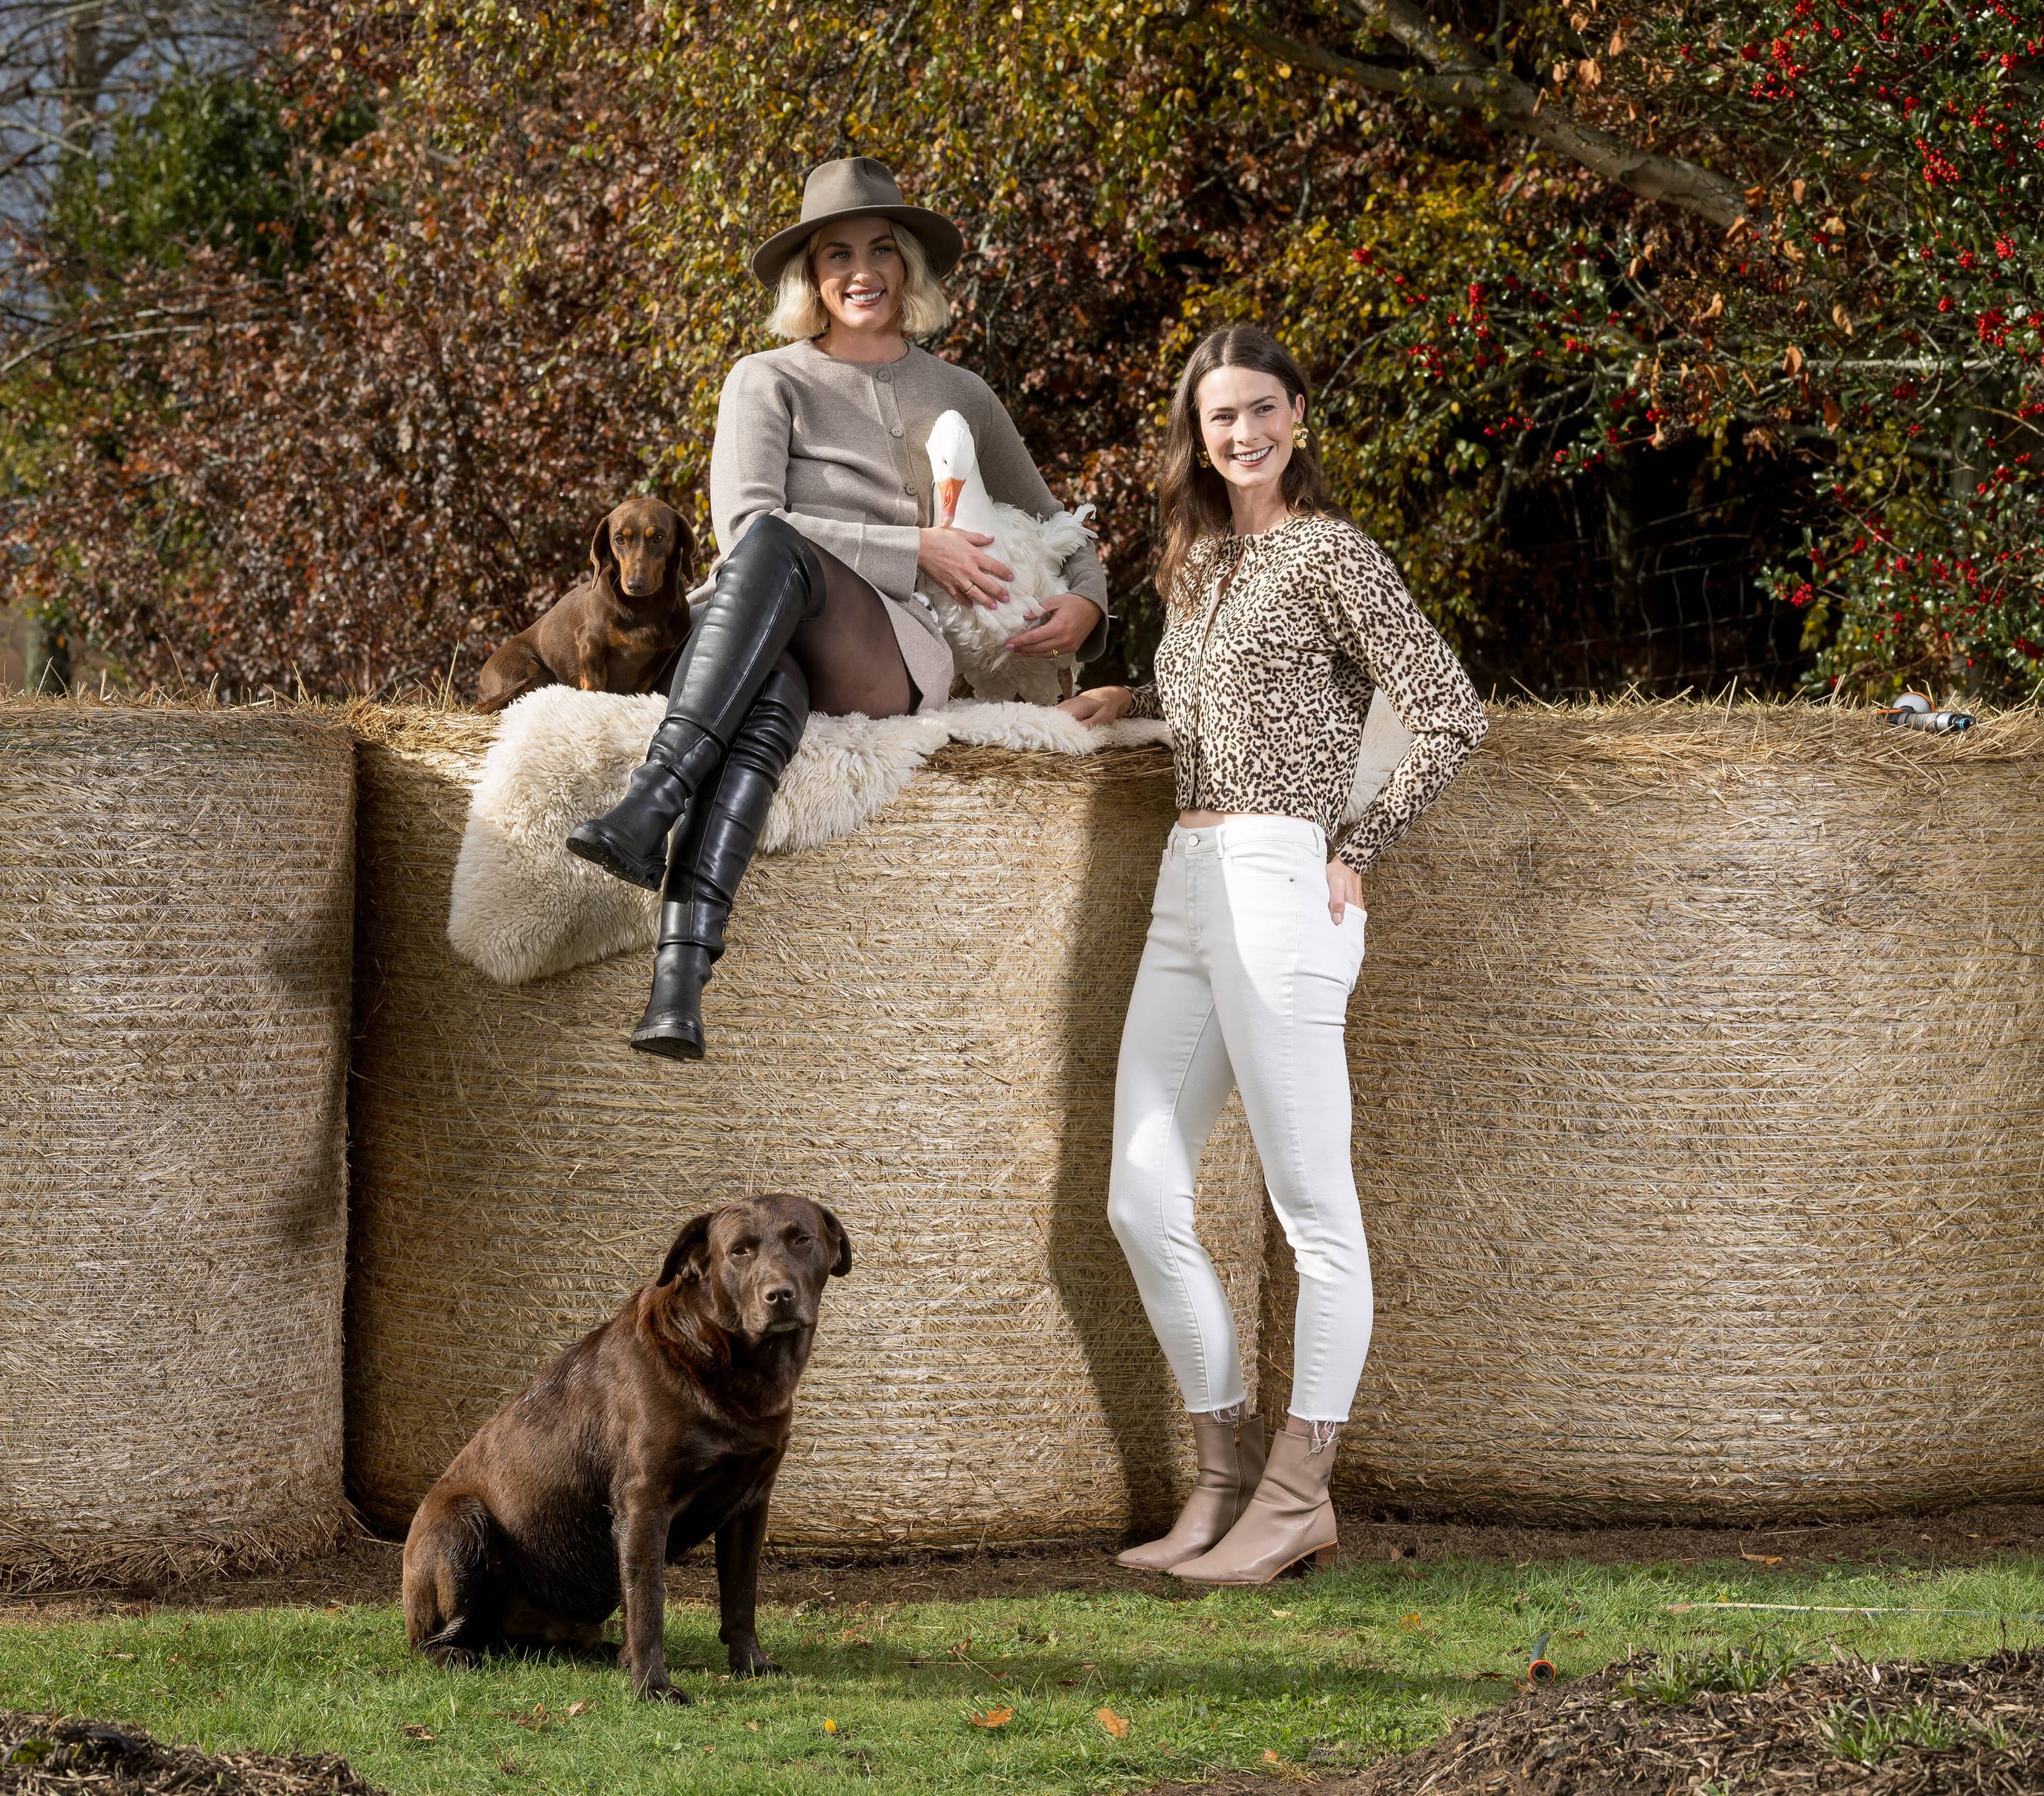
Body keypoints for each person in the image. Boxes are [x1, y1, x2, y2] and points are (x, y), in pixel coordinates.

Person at [1061, 324, 1487, 1584]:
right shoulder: (1196, 563)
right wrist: (1129, 700)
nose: (1238, 435)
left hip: (1281, 879)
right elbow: (1229, 704)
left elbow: (1451, 708)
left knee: (1315, 1215)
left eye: (1258, 411)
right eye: (1217, 418)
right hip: (1185, 880)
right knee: (1140, 1193)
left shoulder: (1334, 553)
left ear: (1299, 415)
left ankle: (1301, 1492)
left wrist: (1359, 839)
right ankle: (1224, 1480)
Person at [567, 156, 1110, 1059]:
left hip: (885, 645)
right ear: (809, 280)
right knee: (768, 698)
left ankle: (652, 800)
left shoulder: (960, 393)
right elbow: (740, 528)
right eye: (836, 255)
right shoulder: (764, 378)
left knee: (784, 550)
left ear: (909, 268)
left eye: (881, 250)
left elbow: (1062, 528)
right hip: (753, 628)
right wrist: (914, 544)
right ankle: (679, 984)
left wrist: (1087, 604)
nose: (862, 270)